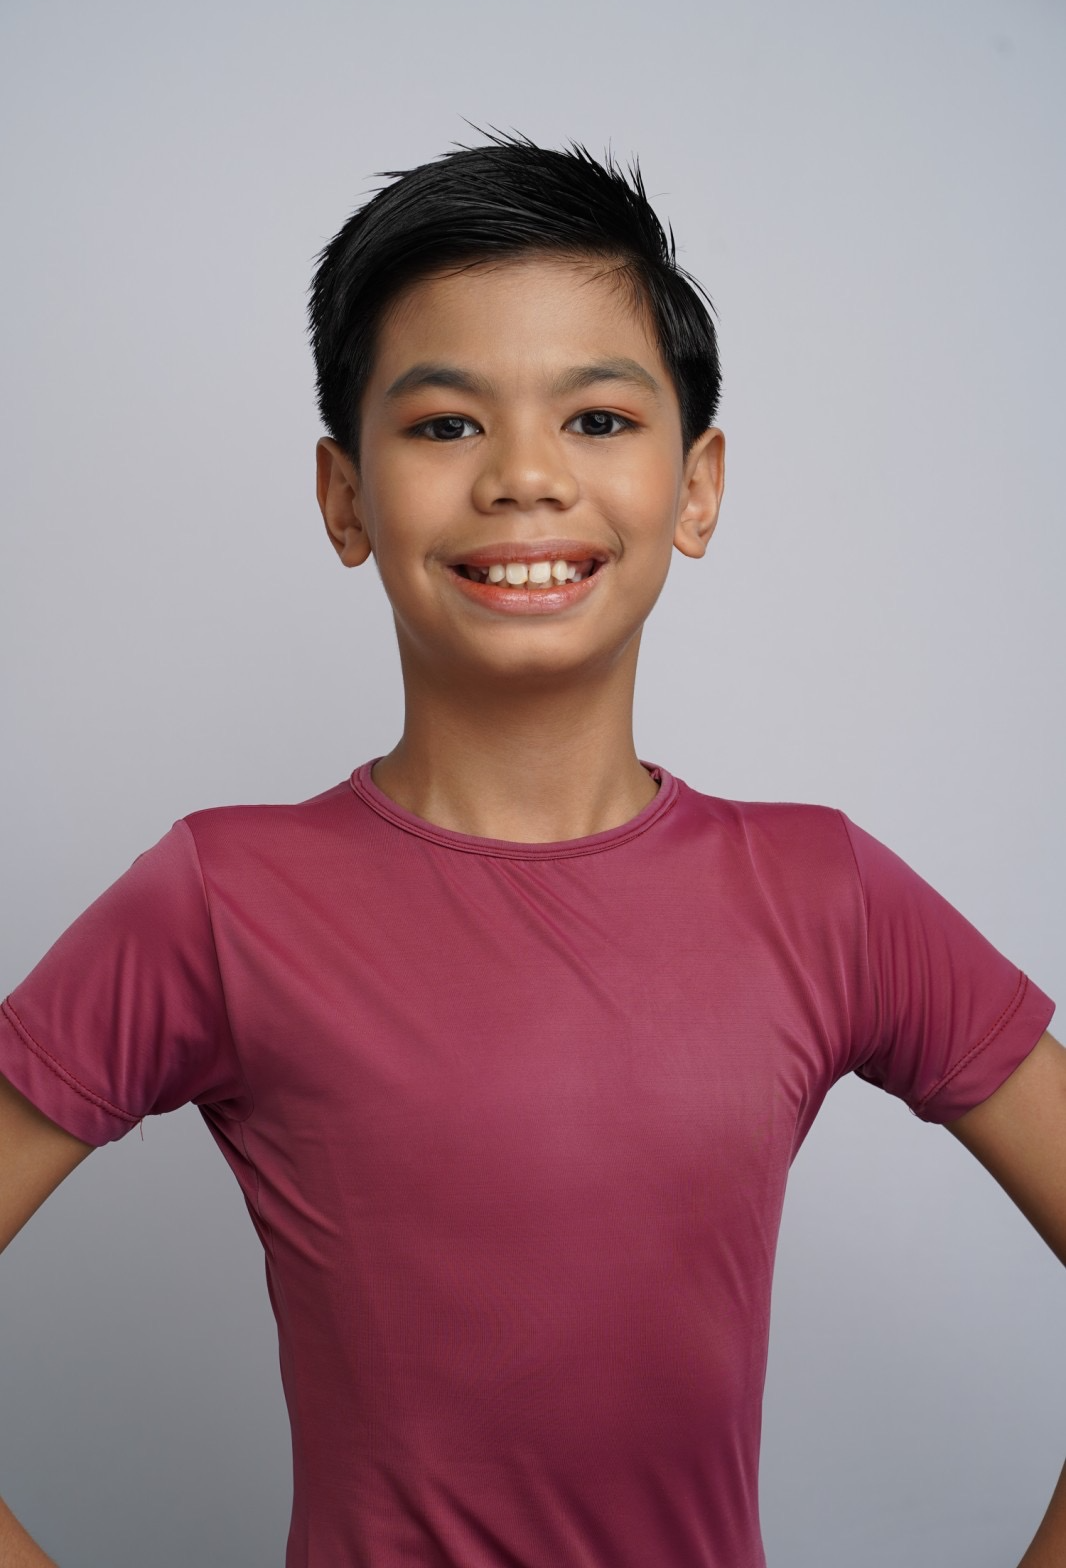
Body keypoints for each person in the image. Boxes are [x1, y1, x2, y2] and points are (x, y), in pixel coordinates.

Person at [1, 127, 1063, 1568]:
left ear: (697, 486)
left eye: (598, 419)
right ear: (343, 496)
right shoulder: (220, 900)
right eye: (445, 425)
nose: (522, 477)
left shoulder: (826, 895)